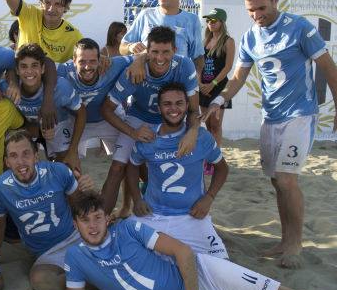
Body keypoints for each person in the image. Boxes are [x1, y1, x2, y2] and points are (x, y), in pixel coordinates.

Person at [27, 192, 337, 290]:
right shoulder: (76, 258)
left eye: (97, 217)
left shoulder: (130, 230)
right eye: (85, 220)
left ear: (107, 218)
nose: (93, 225)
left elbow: (183, 251)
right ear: (75, 223)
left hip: (206, 276)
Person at [203, 0, 337, 269]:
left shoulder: (300, 27)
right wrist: (217, 100)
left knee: (287, 179)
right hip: (270, 116)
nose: (257, 15)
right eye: (251, 10)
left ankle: (295, 244)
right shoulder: (251, 36)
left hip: (300, 114)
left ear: (275, 0)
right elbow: (238, 77)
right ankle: (285, 239)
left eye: (262, 8)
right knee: (277, 181)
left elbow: (328, 67)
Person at [100, 26, 200, 215]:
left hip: (170, 121)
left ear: (175, 51)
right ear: (147, 51)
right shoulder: (134, 69)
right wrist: (133, 133)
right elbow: (106, 108)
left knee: (167, 167)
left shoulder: (185, 65)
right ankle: (102, 221)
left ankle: (168, 210)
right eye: (154, 52)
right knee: (117, 168)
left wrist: (193, 132)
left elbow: (194, 110)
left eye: (166, 52)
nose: (160, 58)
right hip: (138, 118)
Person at [125, 82, 228, 258]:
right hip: (153, 216)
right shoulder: (148, 137)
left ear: (187, 106)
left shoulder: (201, 137)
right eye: (167, 104)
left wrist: (209, 197)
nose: (174, 109)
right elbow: (132, 166)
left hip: (192, 217)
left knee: (222, 266)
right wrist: (137, 199)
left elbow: (222, 168)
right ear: (159, 108)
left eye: (179, 103)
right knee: (122, 255)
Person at [0, 130, 94, 290]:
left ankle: (97, 277)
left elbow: (81, 207)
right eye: (14, 156)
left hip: (77, 236)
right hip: (48, 254)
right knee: (42, 283)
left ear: (36, 156)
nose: (21, 162)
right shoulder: (0, 188)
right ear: (7, 162)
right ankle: (100, 282)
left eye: (26, 154)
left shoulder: (58, 171)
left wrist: (87, 190)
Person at [3, 43, 86, 172]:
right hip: (29, 127)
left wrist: (73, 151)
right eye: (24, 66)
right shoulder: (8, 89)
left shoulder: (61, 87)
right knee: (15, 163)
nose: (29, 71)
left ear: (42, 69)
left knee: (68, 169)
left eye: (34, 66)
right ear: (17, 71)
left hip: (58, 123)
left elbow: (82, 113)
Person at [57, 38, 134, 159]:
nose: (87, 67)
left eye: (93, 61)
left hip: (109, 119)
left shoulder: (112, 65)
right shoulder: (64, 71)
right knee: (67, 161)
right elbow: (43, 67)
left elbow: (143, 56)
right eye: (82, 61)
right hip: (75, 121)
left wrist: (139, 61)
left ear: (100, 60)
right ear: (74, 61)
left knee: (131, 155)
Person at [120, 0, 205, 72]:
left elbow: (198, 57)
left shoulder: (192, 20)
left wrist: (198, 81)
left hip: (176, 83)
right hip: (145, 82)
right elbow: (122, 48)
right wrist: (131, 47)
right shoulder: (145, 15)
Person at [200, 8, 235, 157]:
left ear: (222, 22)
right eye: (208, 21)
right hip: (203, 87)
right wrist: (201, 84)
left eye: (214, 20)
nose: (210, 23)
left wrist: (212, 83)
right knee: (207, 125)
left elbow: (228, 67)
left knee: (215, 125)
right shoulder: (205, 40)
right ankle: (209, 156)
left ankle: (215, 158)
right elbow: (198, 64)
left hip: (218, 86)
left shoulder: (228, 41)